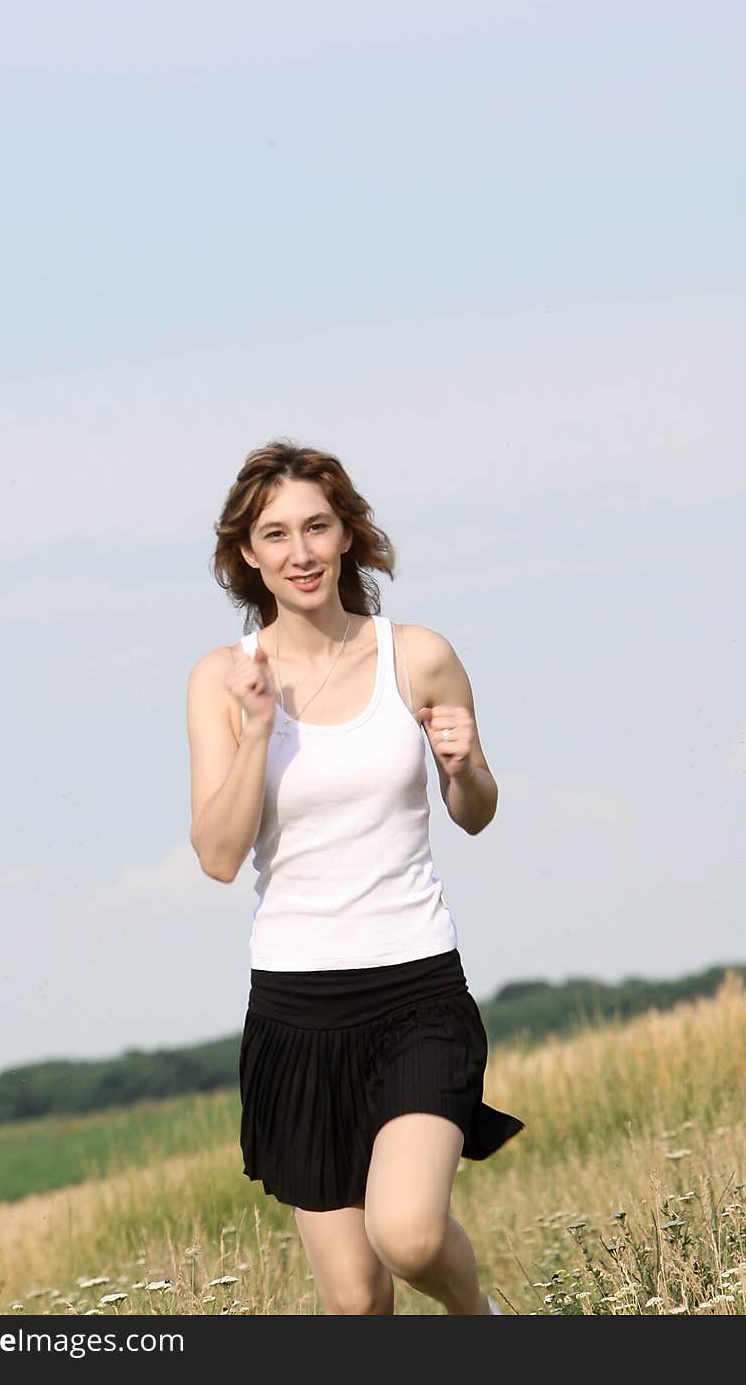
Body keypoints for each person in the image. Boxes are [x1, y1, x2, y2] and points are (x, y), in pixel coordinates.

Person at [187, 439, 523, 1315]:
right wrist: (258, 732)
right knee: (355, 1305)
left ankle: (482, 1321)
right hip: (296, 1014)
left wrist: (464, 768)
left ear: (347, 537)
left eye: (317, 527)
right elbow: (219, 857)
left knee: (407, 1234)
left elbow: (476, 810)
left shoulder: (418, 654)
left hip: (415, 991)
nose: (299, 552)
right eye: (275, 535)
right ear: (247, 556)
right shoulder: (222, 681)